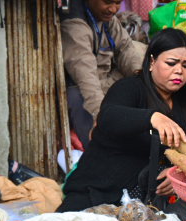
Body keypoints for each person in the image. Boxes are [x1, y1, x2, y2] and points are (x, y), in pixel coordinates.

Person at [57, 28, 186, 212]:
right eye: (171, 63)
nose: (179, 71)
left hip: (145, 200)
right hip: (96, 189)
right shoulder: (130, 88)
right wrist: (152, 117)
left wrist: (179, 174)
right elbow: (108, 117)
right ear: (151, 62)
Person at [61, 0, 144, 151]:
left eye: (118, 2)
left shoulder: (108, 19)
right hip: (84, 89)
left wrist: (142, 77)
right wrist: (101, 116)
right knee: (102, 141)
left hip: (105, 82)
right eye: (107, 2)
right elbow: (86, 76)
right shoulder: (75, 25)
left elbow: (125, 48)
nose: (113, 9)